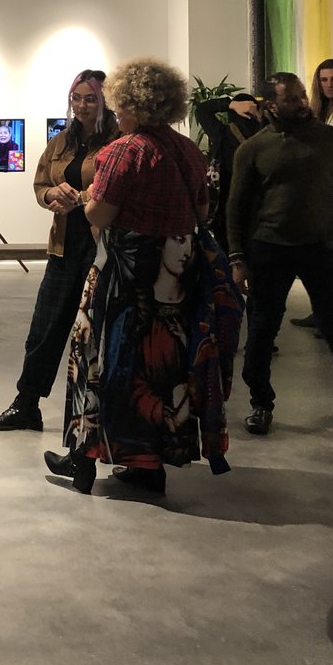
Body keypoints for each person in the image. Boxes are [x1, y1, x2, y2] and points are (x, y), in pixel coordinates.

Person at [47, 57, 227, 497]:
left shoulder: (123, 151)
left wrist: (85, 199)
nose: (115, 111)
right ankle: (148, 464)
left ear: (132, 103)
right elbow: (204, 210)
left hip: (126, 275)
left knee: (102, 360)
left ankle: (84, 455)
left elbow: (100, 215)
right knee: (161, 368)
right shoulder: (186, 149)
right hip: (175, 276)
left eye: (118, 104)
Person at [0, 70, 118, 431]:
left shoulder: (117, 141)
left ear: (105, 100)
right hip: (63, 248)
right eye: (76, 98)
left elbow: (117, 189)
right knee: (44, 330)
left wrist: (81, 198)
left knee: (98, 334)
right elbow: (41, 183)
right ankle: (27, 404)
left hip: (102, 249)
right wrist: (51, 195)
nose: (82, 105)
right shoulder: (61, 141)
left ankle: (99, 415)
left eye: (90, 98)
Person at [228, 72, 333, 435]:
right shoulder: (254, 148)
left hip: (324, 247)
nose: (301, 103)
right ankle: (260, 402)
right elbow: (235, 207)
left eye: (302, 96)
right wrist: (237, 258)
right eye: (291, 99)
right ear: (271, 105)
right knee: (262, 330)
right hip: (269, 249)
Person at [290, 59, 333, 329]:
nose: (329, 84)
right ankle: (323, 314)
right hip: (325, 192)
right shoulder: (320, 110)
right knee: (325, 259)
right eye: (324, 79)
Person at [194, 91, 267, 255]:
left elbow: (202, 110)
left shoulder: (221, 135)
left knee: (229, 258)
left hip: (226, 214)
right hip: (261, 215)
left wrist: (230, 104)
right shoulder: (267, 137)